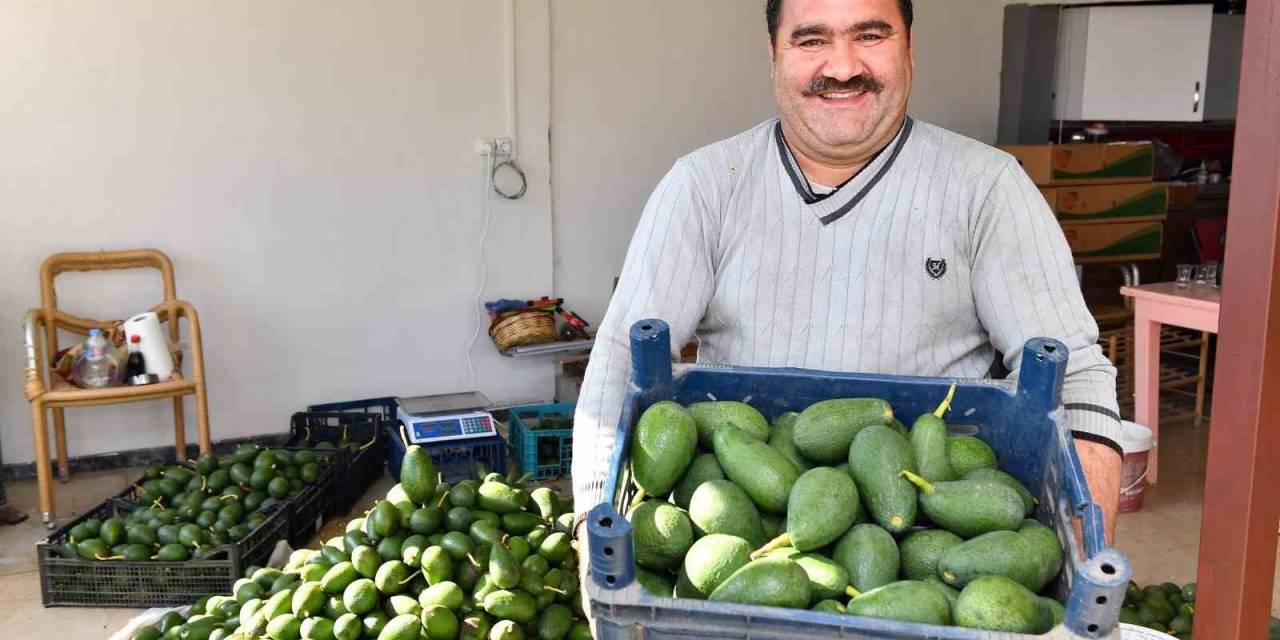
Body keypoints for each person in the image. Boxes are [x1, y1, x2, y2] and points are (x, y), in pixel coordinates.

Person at [571, 0, 1122, 546]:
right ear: (773, 55)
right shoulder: (704, 187)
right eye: (811, 40)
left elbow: (1071, 374)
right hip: (743, 534)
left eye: (871, 36)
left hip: (929, 537)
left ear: (910, 49)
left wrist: (1083, 552)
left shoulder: (987, 188)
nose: (842, 66)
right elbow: (623, 356)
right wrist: (590, 526)